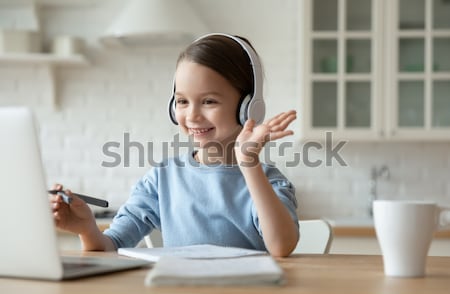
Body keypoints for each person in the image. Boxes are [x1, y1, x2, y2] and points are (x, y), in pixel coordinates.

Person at [51, 33, 299, 257]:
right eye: (182, 101)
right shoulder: (162, 179)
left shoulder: (269, 181)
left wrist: (249, 164)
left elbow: (281, 246)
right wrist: (86, 229)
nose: (192, 115)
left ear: (248, 107)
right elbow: (111, 245)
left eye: (209, 101)